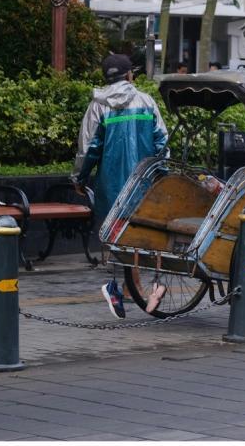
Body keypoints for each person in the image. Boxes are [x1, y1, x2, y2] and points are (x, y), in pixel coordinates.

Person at [72, 53, 169, 319]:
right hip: (145, 179)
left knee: (117, 233)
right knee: (147, 230)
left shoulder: (98, 106)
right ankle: (144, 283)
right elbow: (162, 141)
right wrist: (162, 170)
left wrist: (79, 180)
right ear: (129, 75)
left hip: (111, 181)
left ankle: (126, 284)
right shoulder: (146, 102)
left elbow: (88, 149)